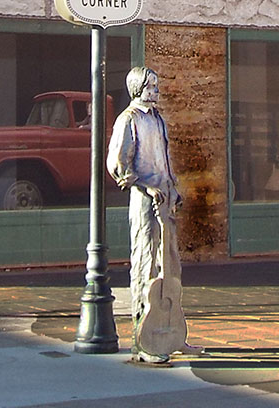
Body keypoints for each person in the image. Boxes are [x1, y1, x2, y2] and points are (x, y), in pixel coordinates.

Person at [106, 66, 183, 365]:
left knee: (171, 265)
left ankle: (173, 332)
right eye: (150, 86)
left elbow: (165, 158)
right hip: (144, 201)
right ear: (137, 88)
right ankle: (144, 340)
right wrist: (146, 186)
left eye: (157, 86)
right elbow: (118, 164)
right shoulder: (128, 119)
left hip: (166, 198)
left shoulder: (158, 120)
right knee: (145, 263)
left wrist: (172, 187)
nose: (156, 91)